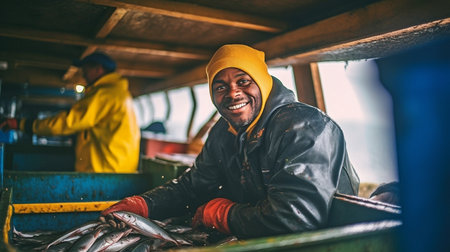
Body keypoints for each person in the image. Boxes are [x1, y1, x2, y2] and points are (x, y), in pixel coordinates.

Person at [102, 44, 359, 238]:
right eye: (221, 86)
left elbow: (297, 217)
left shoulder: (304, 127)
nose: (233, 92)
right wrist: (145, 204)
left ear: (262, 83)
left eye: (243, 81)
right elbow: (193, 186)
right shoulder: (223, 133)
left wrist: (225, 214)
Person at [0, 52, 140, 173]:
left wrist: (22, 124)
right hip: (119, 169)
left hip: (105, 171)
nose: (83, 74)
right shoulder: (120, 93)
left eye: (86, 68)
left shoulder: (104, 95)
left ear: (99, 69)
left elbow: (67, 123)